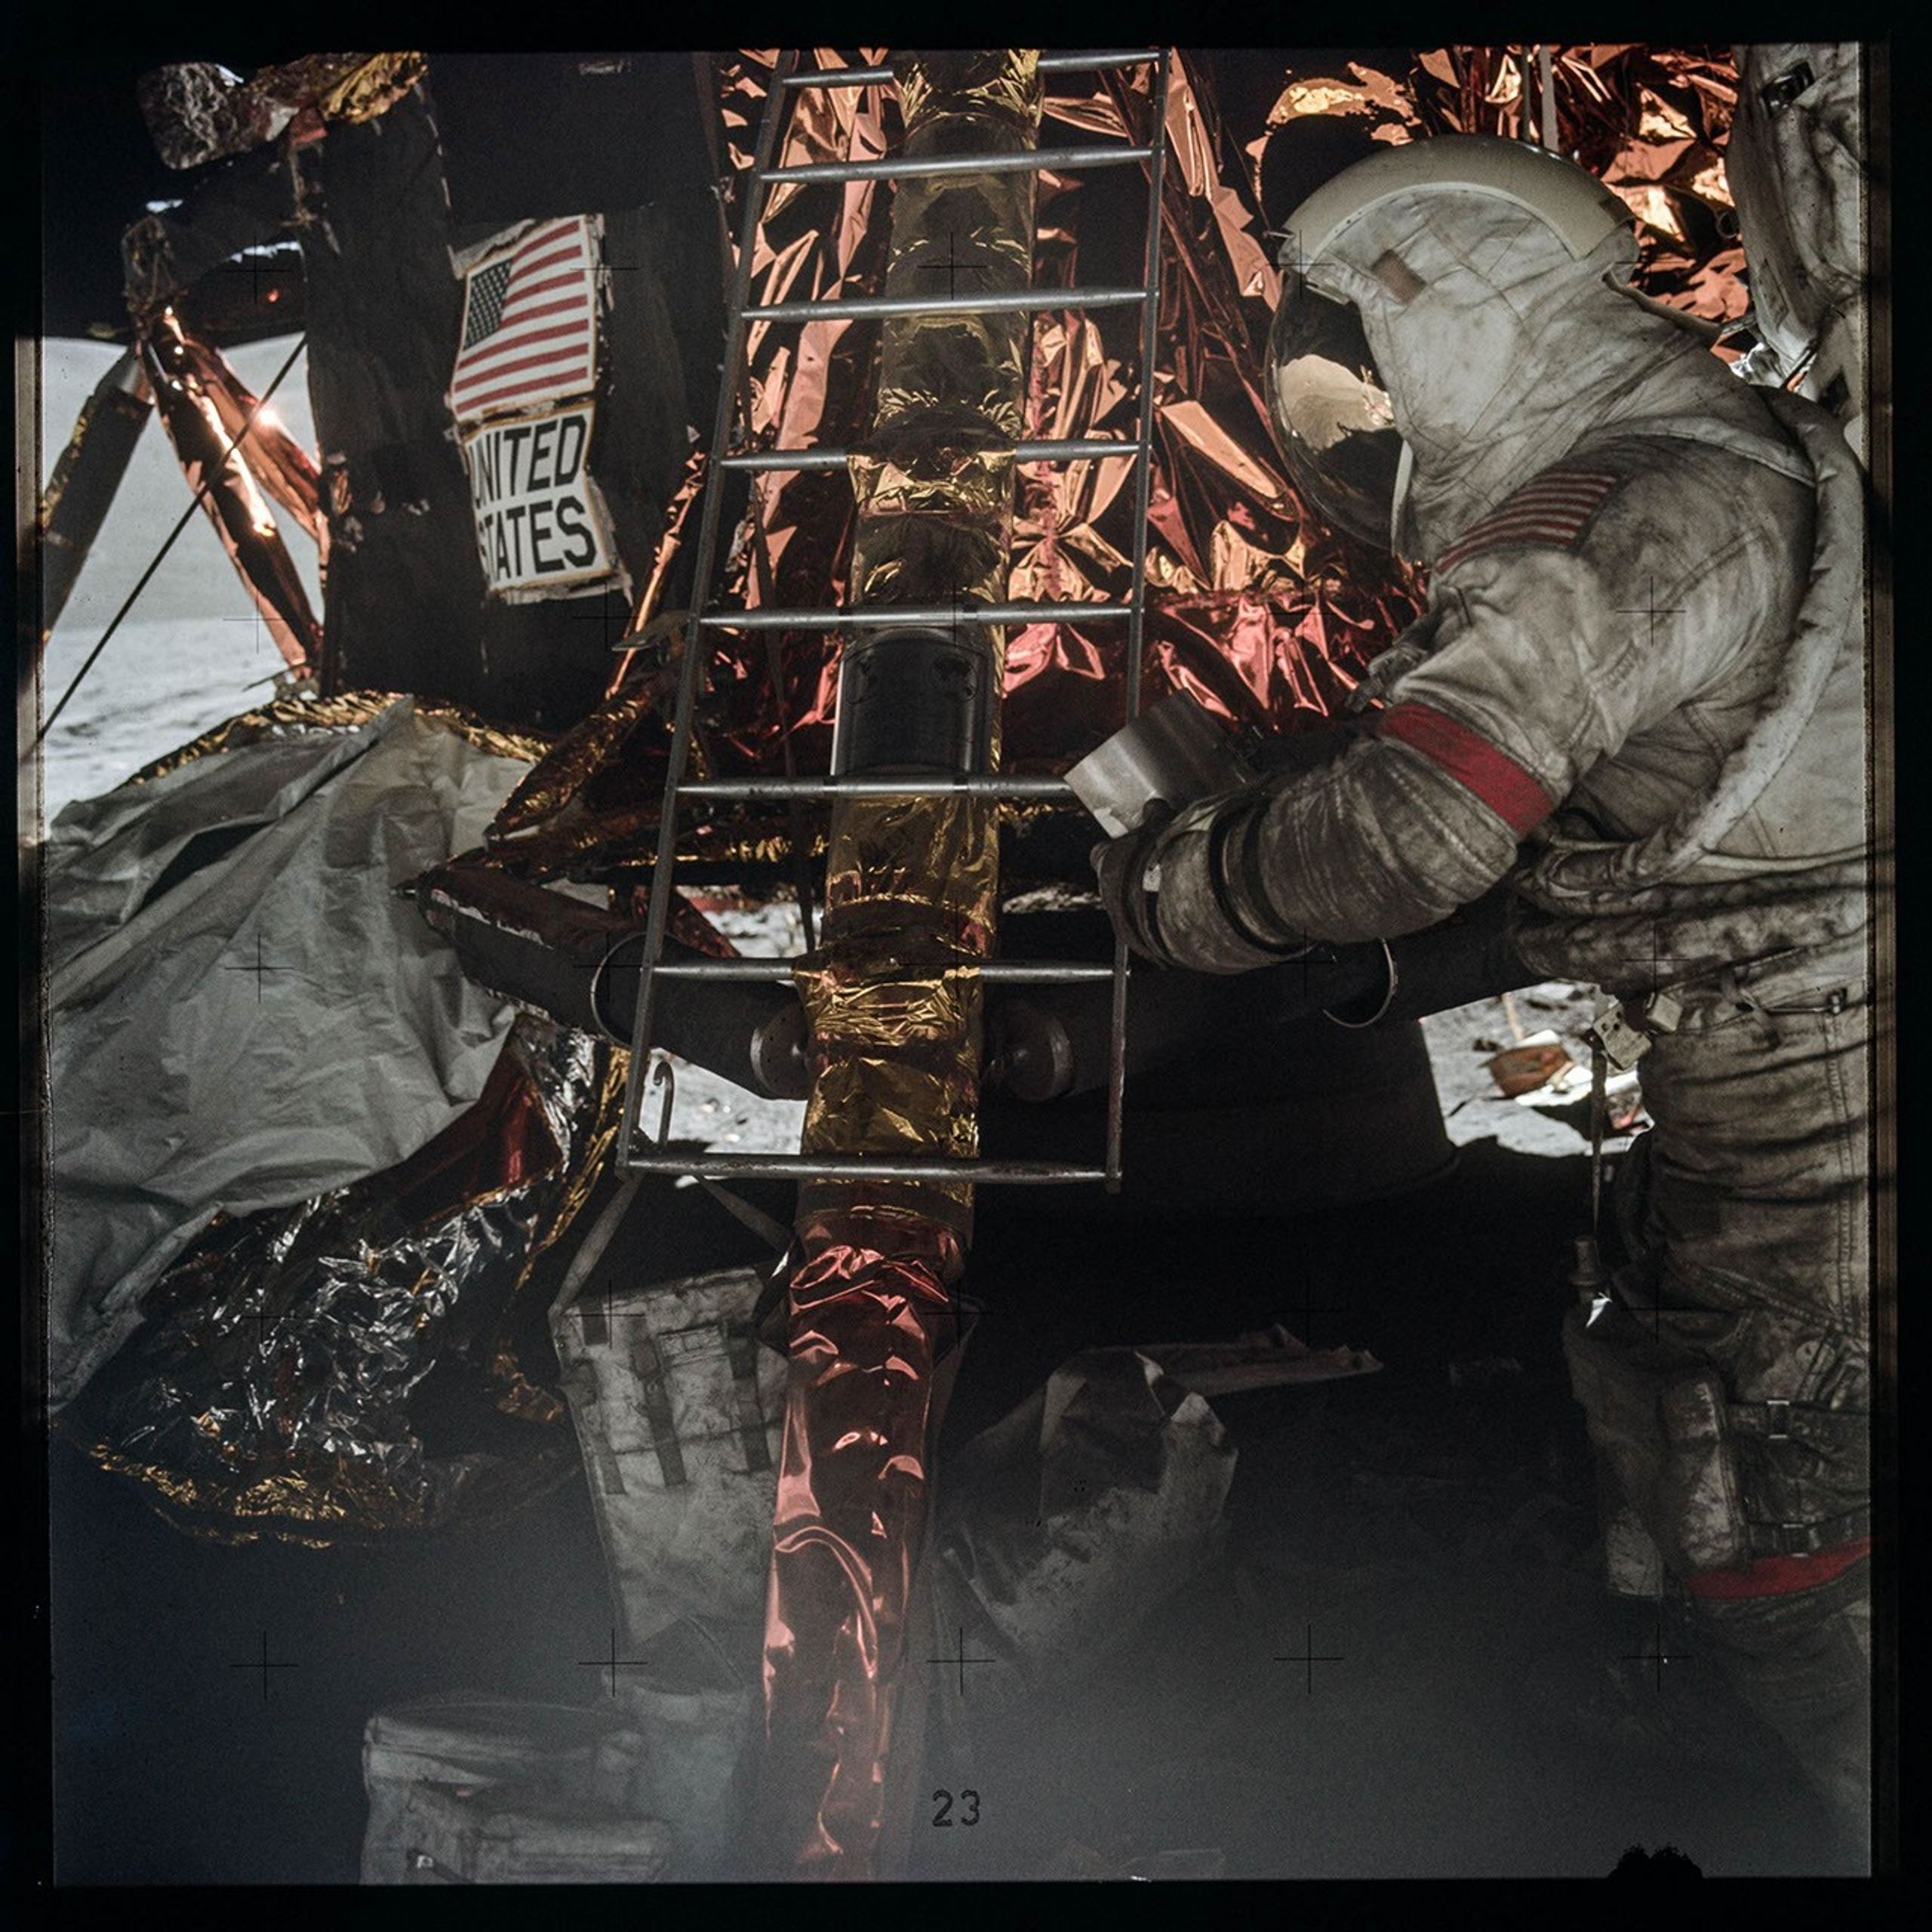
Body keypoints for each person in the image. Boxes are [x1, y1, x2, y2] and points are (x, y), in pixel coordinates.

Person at [1094, 133, 1876, 1852]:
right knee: (1690, 1453)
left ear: (1446, 311)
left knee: (1784, 1565)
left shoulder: (1630, 512)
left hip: (1799, 1144)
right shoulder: (1734, 462)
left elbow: (1403, 835)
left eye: (1366, 355)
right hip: (1731, 1073)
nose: (1362, 409)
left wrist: (1179, 885)